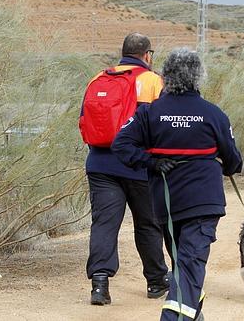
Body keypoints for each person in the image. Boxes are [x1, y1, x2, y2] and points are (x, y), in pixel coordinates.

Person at [111, 48, 243, 320]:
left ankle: (193, 316)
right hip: (204, 202)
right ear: (199, 77)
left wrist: (151, 162)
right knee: (189, 266)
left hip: (166, 205)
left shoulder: (149, 112)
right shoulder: (213, 113)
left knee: (185, 266)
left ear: (166, 76)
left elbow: (120, 144)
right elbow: (234, 162)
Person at [82, 33, 170, 306]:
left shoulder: (98, 79)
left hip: (100, 164)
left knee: (105, 224)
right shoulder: (153, 81)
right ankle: (156, 281)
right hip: (139, 166)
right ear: (147, 55)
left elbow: (84, 121)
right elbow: (162, 127)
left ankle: (99, 285)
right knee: (148, 224)